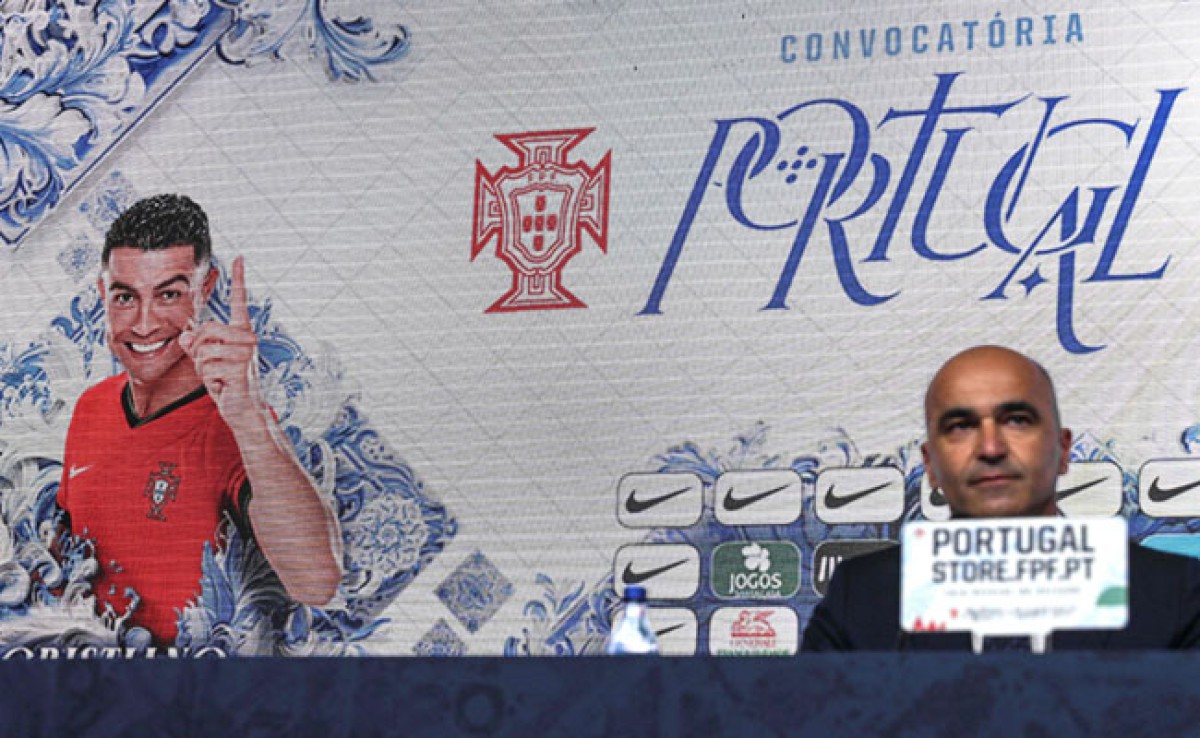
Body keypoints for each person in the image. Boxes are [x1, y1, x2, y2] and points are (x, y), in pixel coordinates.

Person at [57, 194, 342, 645]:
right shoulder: (91, 406)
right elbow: (72, 555)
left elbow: (317, 582)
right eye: (125, 297)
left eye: (168, 294)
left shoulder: (237, 420)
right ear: (102, 294)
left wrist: (248, 420)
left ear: (205, 289)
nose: (145, 323)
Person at [801, 345, 1200, 651]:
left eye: (1017, 420)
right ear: (931, 466)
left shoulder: (1175, 592)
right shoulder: (864, 597)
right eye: (960, 426)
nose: (990, 447)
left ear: (1063, 451)